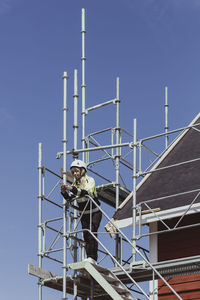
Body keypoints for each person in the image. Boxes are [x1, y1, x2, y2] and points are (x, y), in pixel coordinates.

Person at [61, 159, 102, 263]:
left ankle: (93, 258)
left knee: (92, 232)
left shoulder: (90, 180)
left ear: (82, 170)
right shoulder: (75, 184)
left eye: (77, 171)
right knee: (86, 235)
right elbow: (70, 198)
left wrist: (71, 189)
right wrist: (64, 192)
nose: (75, 173)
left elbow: (86, 192)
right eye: (73, 172)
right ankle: (89, 257)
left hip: (95, 212)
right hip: (84, 213)